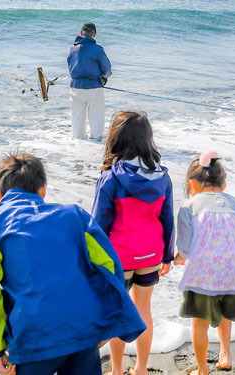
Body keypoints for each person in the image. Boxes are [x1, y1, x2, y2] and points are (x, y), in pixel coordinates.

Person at [0, 152, 147, 375]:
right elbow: (110, 266)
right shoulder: (75, 216)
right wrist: (106, 322)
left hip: (33, 340)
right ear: (43, 189)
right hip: (83, 331)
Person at [92, 110, 174, 375]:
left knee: (119, 312)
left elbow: (98, 225)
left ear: (116, 139)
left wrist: (92, 260)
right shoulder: (163, 176)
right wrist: (168, 256)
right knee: (143, 310)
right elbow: (167, 220)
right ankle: (141, 369)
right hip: (151, 254)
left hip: (120, 257)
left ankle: (116, 370)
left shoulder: (112, 177)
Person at [174, 150, 235, 375]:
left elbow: (185, 247)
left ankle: (202, 369)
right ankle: (226, 354)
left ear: (193, 183)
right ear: (224, 183)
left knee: (199, 322)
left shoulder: (189, 207)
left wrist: (178, 259)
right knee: (225, 316)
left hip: (204, 274)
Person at [67, 22, 112, 140]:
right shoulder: (97, 49)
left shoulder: (72, 49)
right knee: (96, 116)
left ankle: (78, 142)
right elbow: (107, 69)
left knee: (77, 117)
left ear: (81, 33)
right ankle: (96, 141)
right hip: (94, 87)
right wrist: (104, 77)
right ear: (94, 35)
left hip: (75, 87)